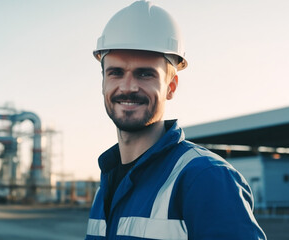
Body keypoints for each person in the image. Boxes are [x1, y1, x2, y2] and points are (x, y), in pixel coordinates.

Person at [85, 1, 267, 239]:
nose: (127, 87)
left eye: (145, 74)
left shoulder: (205, 178)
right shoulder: (107, 185)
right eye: (116, 72)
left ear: (170, 87)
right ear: (103, 83)